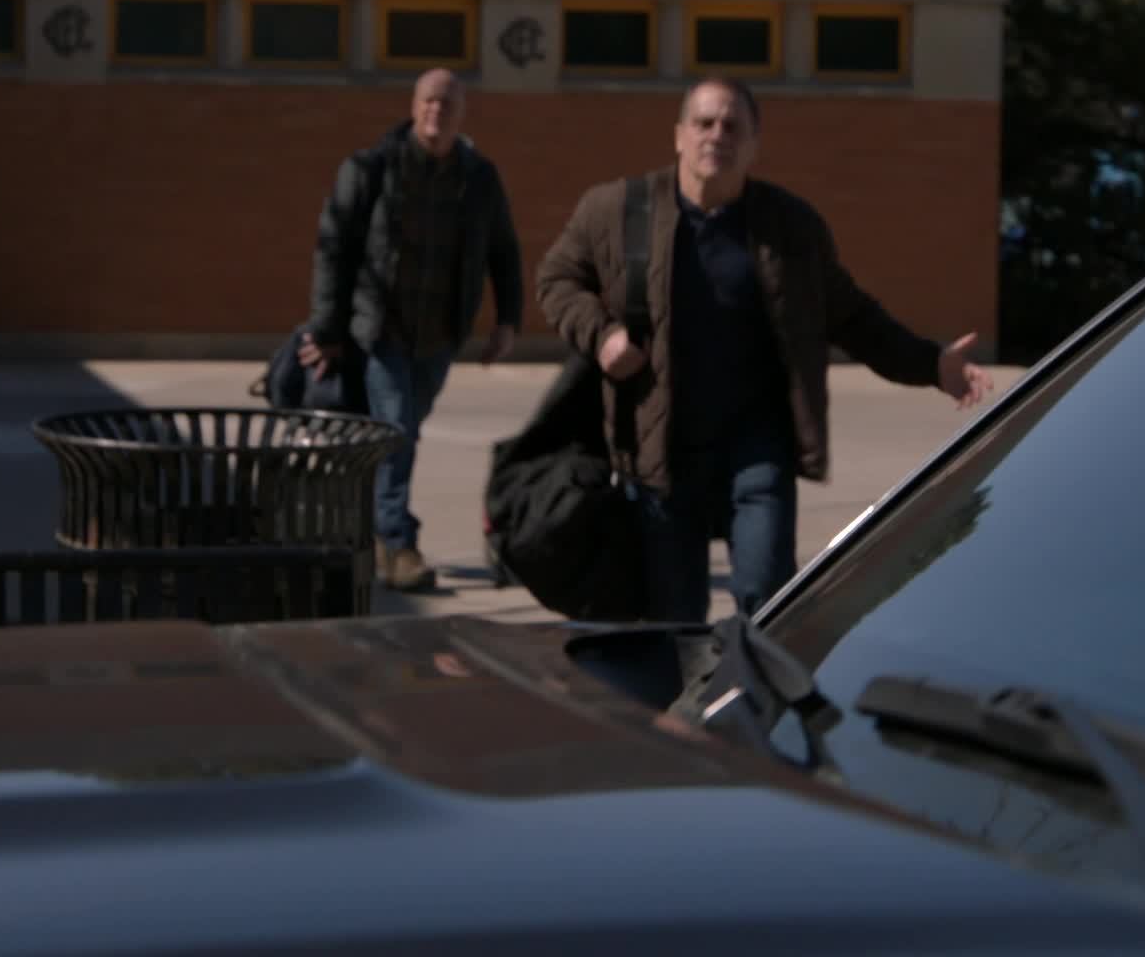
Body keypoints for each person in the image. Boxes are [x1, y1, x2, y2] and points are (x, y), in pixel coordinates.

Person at [534, 76, 995, 623]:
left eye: (733, 126)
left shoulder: (790, 228)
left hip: (757, 449)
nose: (717, 135)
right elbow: (557, 279)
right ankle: (688, 680)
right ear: (679, 135)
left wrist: (932, 364)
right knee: (675, 619)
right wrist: (602, 334)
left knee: (768, 600)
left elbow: (852, 317)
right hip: (661, 452)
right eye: (704, 123)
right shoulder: (618, 212)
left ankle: (757, 676)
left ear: (754, 144)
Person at [301, 69, 524, 592]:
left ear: (461, 113)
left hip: (440, 335)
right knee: (397, 430)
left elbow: (503, 249)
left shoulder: (478, 177)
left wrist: (508, 320)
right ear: (413, 104)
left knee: (399, 433)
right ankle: (398, 543)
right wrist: (327, 329)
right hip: (383, 330)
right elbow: (333, 248)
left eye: (447, 103)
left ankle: (369, 525)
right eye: (428, 101)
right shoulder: (372, 168)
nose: (436, 111)